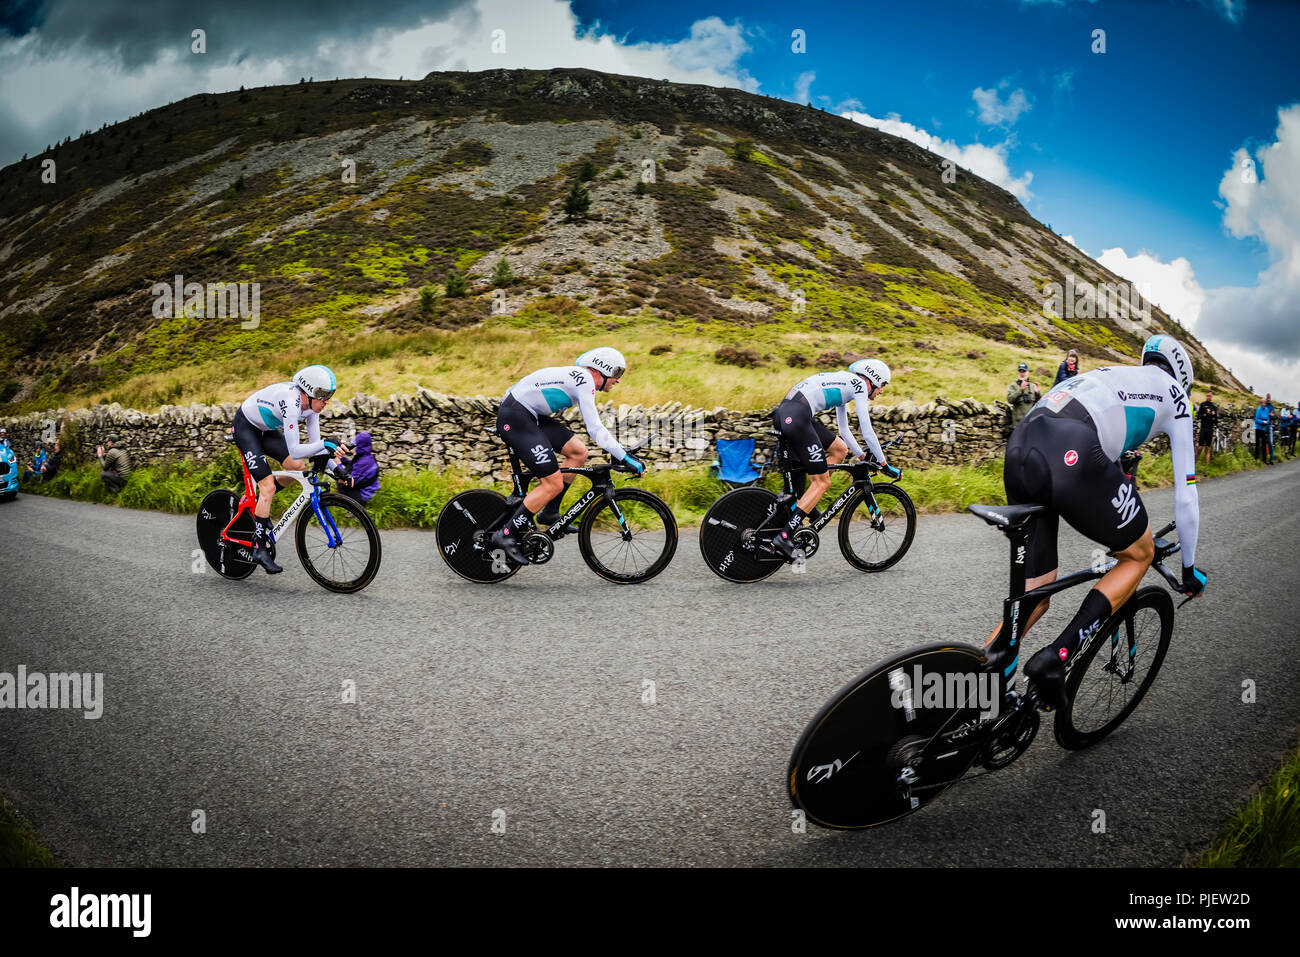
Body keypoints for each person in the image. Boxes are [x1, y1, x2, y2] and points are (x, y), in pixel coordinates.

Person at [986, 334, 1206, 711]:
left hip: (1022, 446)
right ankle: (1055, 658)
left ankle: (981, 684)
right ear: (1181, 374)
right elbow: (1186, 493)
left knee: (1035, 597)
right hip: (1070, 449)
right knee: (1138, 555)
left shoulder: (1116, 375)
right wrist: (1188, 568)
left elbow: (1108, 443)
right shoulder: (1176, 396)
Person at [490, 347, 641, 564]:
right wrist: (624, 457)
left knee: (578, 452)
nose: (617, 380)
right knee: (552, 484)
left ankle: (550, 512)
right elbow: (595, 429)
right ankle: (505, 535)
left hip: (528, 414)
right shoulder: (585, 380)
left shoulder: (579, 377)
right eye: (617, 374)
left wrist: (621, 453)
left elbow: (531, 382)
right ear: (603, 369)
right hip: (517, 416)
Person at [768, 359, 899, 562]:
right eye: (882, 385)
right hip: (797, 417)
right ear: (873, 379)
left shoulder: (847, 382)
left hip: (792, 414)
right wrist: (884, 464)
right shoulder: (859, 386)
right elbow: (867, 429)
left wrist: (863, 456)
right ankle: (783, 537)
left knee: (839, 449)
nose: (881, 391)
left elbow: (844, 430)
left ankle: (807, 505)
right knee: (822, 482)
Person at [233, 365, 348, 574]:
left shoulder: (312, 408)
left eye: (329, 395)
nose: (327, 401)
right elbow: (296, 449)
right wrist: (327, 444)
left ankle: (261, 504)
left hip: (265, 430)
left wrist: (337, 469)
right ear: (308, 390)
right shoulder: (290, 401)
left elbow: (315, 445)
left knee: (298, 468)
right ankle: (258, 547)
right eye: (323, 395)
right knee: (267, 486)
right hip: (246, 427)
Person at [336, 431, 380, 505]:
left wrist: (338, 464)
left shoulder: (364, 462)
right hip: (365, 488)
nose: (354, 446)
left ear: (361, 445)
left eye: (356, 444)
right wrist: (341, 458)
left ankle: (353, 508)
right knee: (343, 476)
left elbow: (350, 482)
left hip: (365, 495)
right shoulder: (365, 456)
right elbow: (351, 465)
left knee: (341, 482)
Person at [1006, 363, 1042, 430]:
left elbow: (1040, 403)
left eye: (1024, 371)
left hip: (1030, 424)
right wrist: (1020, 390)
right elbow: (1010, 400)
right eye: (1020, 371)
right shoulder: (1013, 386)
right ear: (1018, 373)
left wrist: (1038, 393)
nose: (1022, 374)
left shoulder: (1033, 386)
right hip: (1017, 425)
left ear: (1028, 373)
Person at [1196, 390, 1218, 467]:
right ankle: (1194, 466)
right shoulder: (1202, 405)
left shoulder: (1214, 407)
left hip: (1210, 429)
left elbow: (1216, 422)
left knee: (1207, 449)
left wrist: (1213, 415)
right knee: (1199, 448)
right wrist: (1204, 414)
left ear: (1212, 397)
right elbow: (1198, 417)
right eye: (1207, 396)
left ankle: (1206, 468)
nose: (1208, 397)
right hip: (1203, 428)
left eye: (1210, 396)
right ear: (1206, 396)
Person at [1253, 394, 1273, 462]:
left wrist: (1266, 422)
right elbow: (1256, 419)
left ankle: (1264, 459)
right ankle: (1256, 458)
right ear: (1261, 403)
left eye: (1265, 403)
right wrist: (1262, 422)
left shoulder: (1267, 409)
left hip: (1264, 429)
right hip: (1258, 428)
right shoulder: (1259, 409)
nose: (1264, 404)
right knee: (1257, 443)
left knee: (1264, 444)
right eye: (1263, 403)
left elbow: (1268, 419)